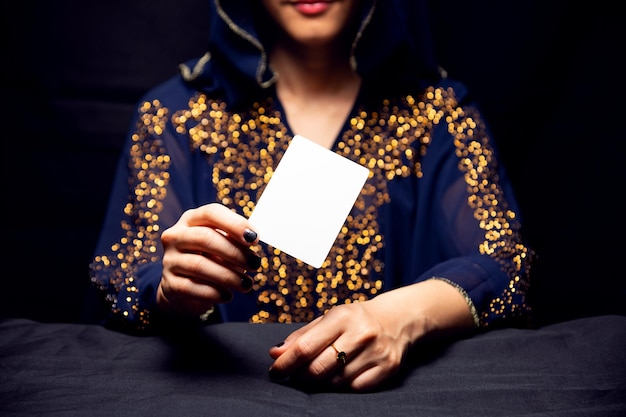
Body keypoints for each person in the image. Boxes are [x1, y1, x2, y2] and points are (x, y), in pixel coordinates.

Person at [90, 0, 534, 392]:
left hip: (392, 401)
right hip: (225, 400)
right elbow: (122, 280)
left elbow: (503, 264)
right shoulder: (174, 116)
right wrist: (173, 291)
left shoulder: (440, 113)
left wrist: (401, 316)